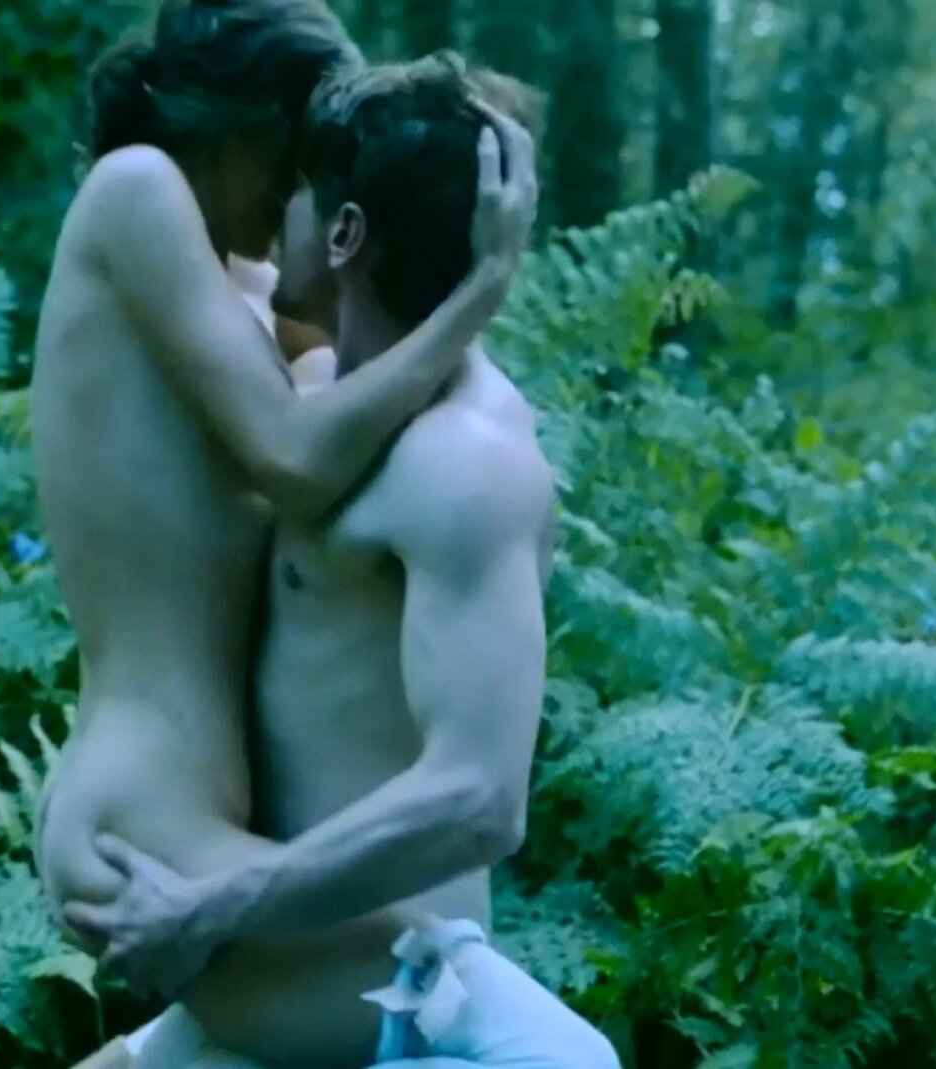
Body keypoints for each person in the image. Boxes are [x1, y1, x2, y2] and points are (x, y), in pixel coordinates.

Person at [62, 55, 620, 1069]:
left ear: (345, 233)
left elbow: (479, 798)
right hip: (284, 952)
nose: (263, 220)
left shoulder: (466, 462)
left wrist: (217, 902)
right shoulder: (312, 423)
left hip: (388, 993)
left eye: (292, 191)